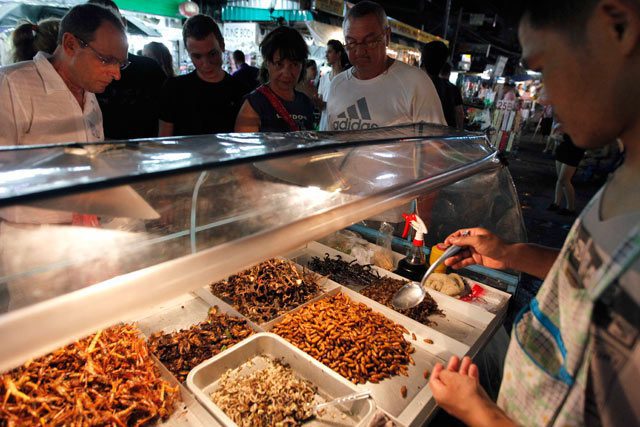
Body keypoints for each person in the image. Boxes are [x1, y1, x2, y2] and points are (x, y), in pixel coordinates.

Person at [429, 1, 640, 426]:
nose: (542, 97)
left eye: (545, 68)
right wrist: (510, 252)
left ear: (617, 27)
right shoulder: (626, 173)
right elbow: (591, 281)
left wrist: (480, 413)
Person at [0, 3, 127, 146]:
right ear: (70, 44)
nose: (117, 75)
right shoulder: (11, 84)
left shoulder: (87, 91)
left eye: (121, 64)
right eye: (106, 60)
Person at [324, 1, 445, 131]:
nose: (359, 51)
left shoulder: (415, 83)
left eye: (370, 41)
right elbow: (330, 141)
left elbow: (435, 145)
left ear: (387, 36)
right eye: (351, 43)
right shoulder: (338, 85)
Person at [88, 0, 167, 140]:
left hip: (145, 153)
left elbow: (167, 116)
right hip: (97, 153)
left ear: (123, 23)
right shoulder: (79, 74)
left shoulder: (149, 69)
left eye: (112, 23)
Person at [159, 14, 248, 136]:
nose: (206, 64)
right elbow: (164, 141)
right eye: (197, 56)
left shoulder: (240, 91)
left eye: (212, 54)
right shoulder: (174, 89)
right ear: (188, 52)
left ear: (222, 45)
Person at [234, 26, 315, 133]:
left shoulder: (305, 103)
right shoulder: (254, 105)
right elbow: (244, 147)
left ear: (302, 66)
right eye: (279, 64)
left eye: (294, 64)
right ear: (267, 63)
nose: (286, 73)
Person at [420, 41, 464, 129]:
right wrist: (460, 131)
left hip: (418, 138)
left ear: (422, 60)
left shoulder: (413, 85)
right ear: (443, 63)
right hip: (444, 137)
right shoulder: (452, 89)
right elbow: (459, 113)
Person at [548, 133, 586, 216]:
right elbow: (556, 133)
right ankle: (556, 203)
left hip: (574, 151)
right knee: (560, 179)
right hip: (564, 149)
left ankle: (570, 208)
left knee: (564, 179)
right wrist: (557, 136)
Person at [317, 39, 349, 130]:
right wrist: (318, 103)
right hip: (324, 126)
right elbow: (321, 106)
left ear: (338, 54)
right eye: (326, 52)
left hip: (340, 126)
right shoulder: (323, 79)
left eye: (329, 52)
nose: (326, 55)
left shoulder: (347, 78)